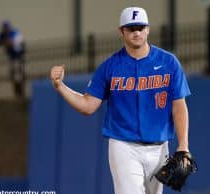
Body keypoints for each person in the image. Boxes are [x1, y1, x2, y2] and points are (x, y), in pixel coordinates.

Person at [50, 7, 192, 194]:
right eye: (131, 28)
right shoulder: (110, 66)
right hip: (124, 146)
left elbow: (178, 106)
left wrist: (183, 145)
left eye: (140, 27)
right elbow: (88, 106)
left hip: (160, 147)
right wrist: (60, 86)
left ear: (148, 29)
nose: (137, 32)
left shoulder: (169, 62)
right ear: (121, 31)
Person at [0, 20, 26, 98]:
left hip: (18, 57)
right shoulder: (3, 34)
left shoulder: (14, 32)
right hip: (11, 58)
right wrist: (5, 41)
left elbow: (14, 43)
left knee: (19, 76)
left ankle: (20, 94)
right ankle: (17, 94)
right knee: (13, 77)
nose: (5, 29)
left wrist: (7, 42)